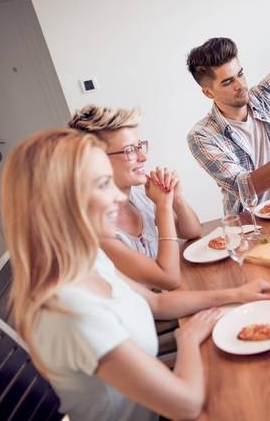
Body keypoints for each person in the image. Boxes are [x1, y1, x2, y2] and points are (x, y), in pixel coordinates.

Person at [0, 129, 270, 420]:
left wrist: (236, 294)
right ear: (63, 201)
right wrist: (188, 339)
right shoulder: (71, 311)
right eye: (104, 184)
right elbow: (187, 405)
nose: (119, 198)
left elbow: (157, 303)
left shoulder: (87, 261)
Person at [186, 31, 270, 214]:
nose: (240, 85)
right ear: (208, 93)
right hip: (253, 227)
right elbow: (245, 187)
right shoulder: (202, 136)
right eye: (227, 82)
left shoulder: (265, 96)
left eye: (240, 74)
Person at [69, 105, 201, 290]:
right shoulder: (94, 228)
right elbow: (167, 279)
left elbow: (192, 232)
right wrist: (163, 206)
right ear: (96, 159)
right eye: (130, 150)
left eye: (140, 146)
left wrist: (176, 199)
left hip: (166, 297)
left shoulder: (138, 195)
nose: (143, 157)